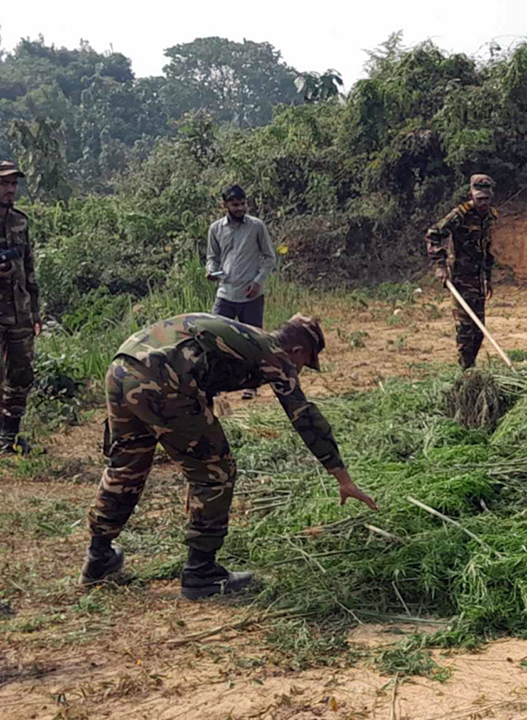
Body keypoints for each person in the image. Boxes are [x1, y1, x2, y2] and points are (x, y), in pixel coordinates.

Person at [81, 313, 377, 599]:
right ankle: (201, 573)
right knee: (216, 472)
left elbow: (198, 369)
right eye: (305, 363)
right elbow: (303, 416)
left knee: (126, 465)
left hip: (123, 367)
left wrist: (191, 464)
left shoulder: (241, 335)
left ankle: (99, 556)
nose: (298, 370)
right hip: (162, 377)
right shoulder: (275, 354)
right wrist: (342, 477)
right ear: (297, 349)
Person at [207, 184, 276, 399]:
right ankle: (215, 384)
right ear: (225, 205)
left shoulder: (257, 226)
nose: (240, 208)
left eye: (243, 204)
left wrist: (257, 282)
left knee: (252, 340)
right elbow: (212, 257)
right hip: (225, 292)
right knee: (214, 337)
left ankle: (251, 384)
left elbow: (269, 257)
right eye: (235, 205)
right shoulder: (216, 229)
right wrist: (210, 271)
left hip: (251, 294)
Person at [426, 174, 498, 370]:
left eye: (486, 198)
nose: (483, 202)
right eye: (479, 198)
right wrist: (440, 265)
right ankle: (466, 371)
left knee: (479, 331)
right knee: (466, 331)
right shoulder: (461, 214)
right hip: (459, 278)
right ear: (471, 195)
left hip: (478, 280)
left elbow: (487, 249)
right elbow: (434, 234)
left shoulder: (490, 217)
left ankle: (471, 367)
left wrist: (488, 278)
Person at [0, 161, 39, 455]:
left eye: (13, 184)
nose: (10, 189)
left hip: (19, 313)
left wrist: (36, 313)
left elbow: (29, 271)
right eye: (4, 184)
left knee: (22, 374)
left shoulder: (20, 222)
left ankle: (8, 438)